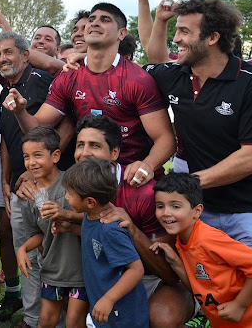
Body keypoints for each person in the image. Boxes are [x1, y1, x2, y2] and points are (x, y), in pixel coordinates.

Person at [4, 3, 176, 184]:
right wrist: (20, 112)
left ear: (121, 33)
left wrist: (146, 165)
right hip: (88, 180)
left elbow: (165, 139)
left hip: (131, 179)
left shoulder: (138, 79)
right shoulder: (69, 75)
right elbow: (37, 128)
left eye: (105, 20)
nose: (94, 23)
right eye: (91, 20)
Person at [144, 0, 252, 251]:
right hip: (201, 210)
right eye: (176, 30)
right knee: (202, 287)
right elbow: (126, 70)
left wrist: (191, 183)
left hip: (251, 211)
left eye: (185, 32)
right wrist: (76, 59)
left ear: (212, 38)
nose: (176, 39)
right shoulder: (173, 76)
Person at [74, 115, 198, 327]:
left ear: (115, 153)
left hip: (155, 279)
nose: (84, 153)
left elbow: (169, 274)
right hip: (108, 278)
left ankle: (197, 313)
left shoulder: (143, 193)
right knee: (74, 313)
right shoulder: (76, 184)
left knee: (162, 318)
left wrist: (131, 229)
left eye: (94, 146)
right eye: (80, 145)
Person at [0, 30, 55, 326]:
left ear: (25, 55)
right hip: (17, 187)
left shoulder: (43, 84)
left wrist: (34, 174)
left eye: (8, 52)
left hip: (44, 186)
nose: (2, 58)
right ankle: (32, 320)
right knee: (26, 257)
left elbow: (54, 132)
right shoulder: (5, 91)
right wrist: (5, 180)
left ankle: (56, 319)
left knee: (51, 257)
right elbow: (7, 138)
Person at [150, 174, 252, 326]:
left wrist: (239, 305)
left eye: (175, 206)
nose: (166, 213)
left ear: (197, 211)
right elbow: (197, 287)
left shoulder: (207, 238)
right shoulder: (181, 239)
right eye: (160, 206)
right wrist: (176, 262)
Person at [15, 127, 88, 328]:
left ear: (55, 155)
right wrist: (23, 248)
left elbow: (94, 218)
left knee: (74, 322)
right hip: (52, 271)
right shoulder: (28, 197)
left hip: (79, 272)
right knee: (45, 321)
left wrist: (67, 216)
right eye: (26, 157)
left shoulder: (73, 184)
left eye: (38, 155)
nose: (31, 162)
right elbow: (38, 234)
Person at [63, 158, 148, 327]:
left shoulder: (110, 230)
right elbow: (94, 238)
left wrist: (109, 299)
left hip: (123, 317)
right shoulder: (91, 216)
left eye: (70, 194)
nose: (66, 197)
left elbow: (136, 269)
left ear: (90, 202)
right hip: (104, 311)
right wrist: (69, 228)